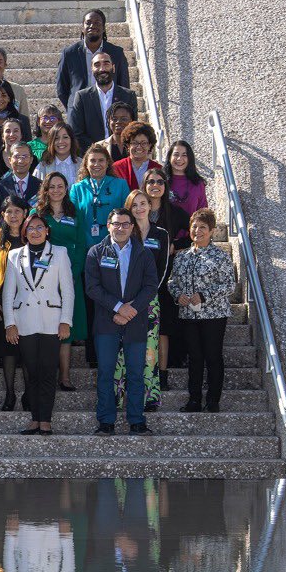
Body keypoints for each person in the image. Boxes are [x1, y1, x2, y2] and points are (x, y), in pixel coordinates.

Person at [84, 207, 159, 436]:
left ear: (132, 227)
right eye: (116, 223)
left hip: (135, 322)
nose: (121, 228)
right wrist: (118, 308)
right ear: (109, 226)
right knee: (106, 372)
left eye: (126, 224)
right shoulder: (95, 252)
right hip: (107, 322)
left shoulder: (144, 253)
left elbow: (150, 286)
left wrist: (131, 310)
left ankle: (136, 421)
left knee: (135, 373)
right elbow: (92, 288)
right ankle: (106, 421)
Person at [2, 213, 75, 435]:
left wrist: (66, 321)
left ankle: (46, 419)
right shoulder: (14, 255)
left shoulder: (60, 253)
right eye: (31, 228)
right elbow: (7, 293)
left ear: (47, 230)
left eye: (40, 227)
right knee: (30, 371)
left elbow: (68, 291)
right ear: (25, 232)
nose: (35, 231)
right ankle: (34, 418)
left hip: (51, 321)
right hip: (24, 320)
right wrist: (9, 324)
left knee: (47, 371)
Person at [168, 208, 236, 413]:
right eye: (194, 227)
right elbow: (172, 281)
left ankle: (213, 400)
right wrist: (177, 294)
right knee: (195, 358)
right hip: (189, 314)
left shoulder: (220, 256)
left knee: (213, 356)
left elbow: (229, 285)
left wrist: (205, 295)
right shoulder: (182, 257)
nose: (198, 231)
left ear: (212, 231)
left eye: (203, 227)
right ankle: (194, 400)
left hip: (214, 315)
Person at [111, 188, 170, 414]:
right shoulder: (126, 232)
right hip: (123, 301)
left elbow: (164, 268)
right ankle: (118, 396)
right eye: (134, 205)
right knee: (121, 350)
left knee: (148, 350)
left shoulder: (161, 234)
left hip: (149, 301)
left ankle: (149, 397)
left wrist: (145, 296)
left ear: (149, 205)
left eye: (143, 203)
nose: (139, 208)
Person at [32, 172, 86, 389]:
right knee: (45, 326)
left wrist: (73, 273)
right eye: (51, 186)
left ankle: (64, 376)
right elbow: (32, 244)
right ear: (45, 189)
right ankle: (44, 377)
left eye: (60, 186)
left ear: (66, 188)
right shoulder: (37, 214)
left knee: (66, 328)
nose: (56, 190)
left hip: (70, 277)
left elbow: (81, 245)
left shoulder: (75, 213)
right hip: (43, 278)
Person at [141, 167, 190, 384]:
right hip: (138, 278)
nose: (155, 186)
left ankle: (162, 373)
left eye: (160, 182)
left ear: (165, 186)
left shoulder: (175, 212)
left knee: (163, 328)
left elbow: (194, 234)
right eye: (151, 182)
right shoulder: (137, 210)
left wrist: (175, 245)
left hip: (165, 279)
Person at [0, 196, 30, 413]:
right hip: (2, 297)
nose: (13, 216)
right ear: (2, 215)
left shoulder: (32, 235)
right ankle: (10, 393)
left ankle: (30, 394)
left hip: (30, 299)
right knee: (9, 349)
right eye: (8, 212)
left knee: (29, 348)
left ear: (25, 213)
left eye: (17, 211)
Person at [56, 8, 130, 108]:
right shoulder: (69, 53)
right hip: (78, 111)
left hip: (109, 110)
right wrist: (72, 108)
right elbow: (61, 89)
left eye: (97, 23)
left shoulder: (116, 53)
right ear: (82, 28)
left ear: (103, 28)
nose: (92, 26)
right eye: (88, 22)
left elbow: (124, 86)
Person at [68, 51, 139, 151]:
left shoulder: (128, 96)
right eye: (97, 65)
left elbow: (133, 128)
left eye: (106, 63)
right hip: (93, 155)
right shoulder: (82, 97)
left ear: (113, 68)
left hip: (122, 152)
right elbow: (77, 132)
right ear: (92, 70)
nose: (102, 69)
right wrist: (98, 149)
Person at [0, 141, 41, 216]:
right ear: (10, 160)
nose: (20, 161)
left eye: (25, 156)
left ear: (31, 160)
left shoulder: (41, 186)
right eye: (17, 157)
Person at [111, 121, 163, 190]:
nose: (139, 147)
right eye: (134, 143)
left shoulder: (158, 169)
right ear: (128, 145)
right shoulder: (117, 168)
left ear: (150, 145)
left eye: (143, 143)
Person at [165, 139, 210, 217]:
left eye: (184, 155)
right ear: (169, 157)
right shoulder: (161, 181)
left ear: (190, 159)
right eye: (176, 154)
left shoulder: (198, 183)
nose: (179, 159)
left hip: (191, 229)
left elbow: (204, 214)